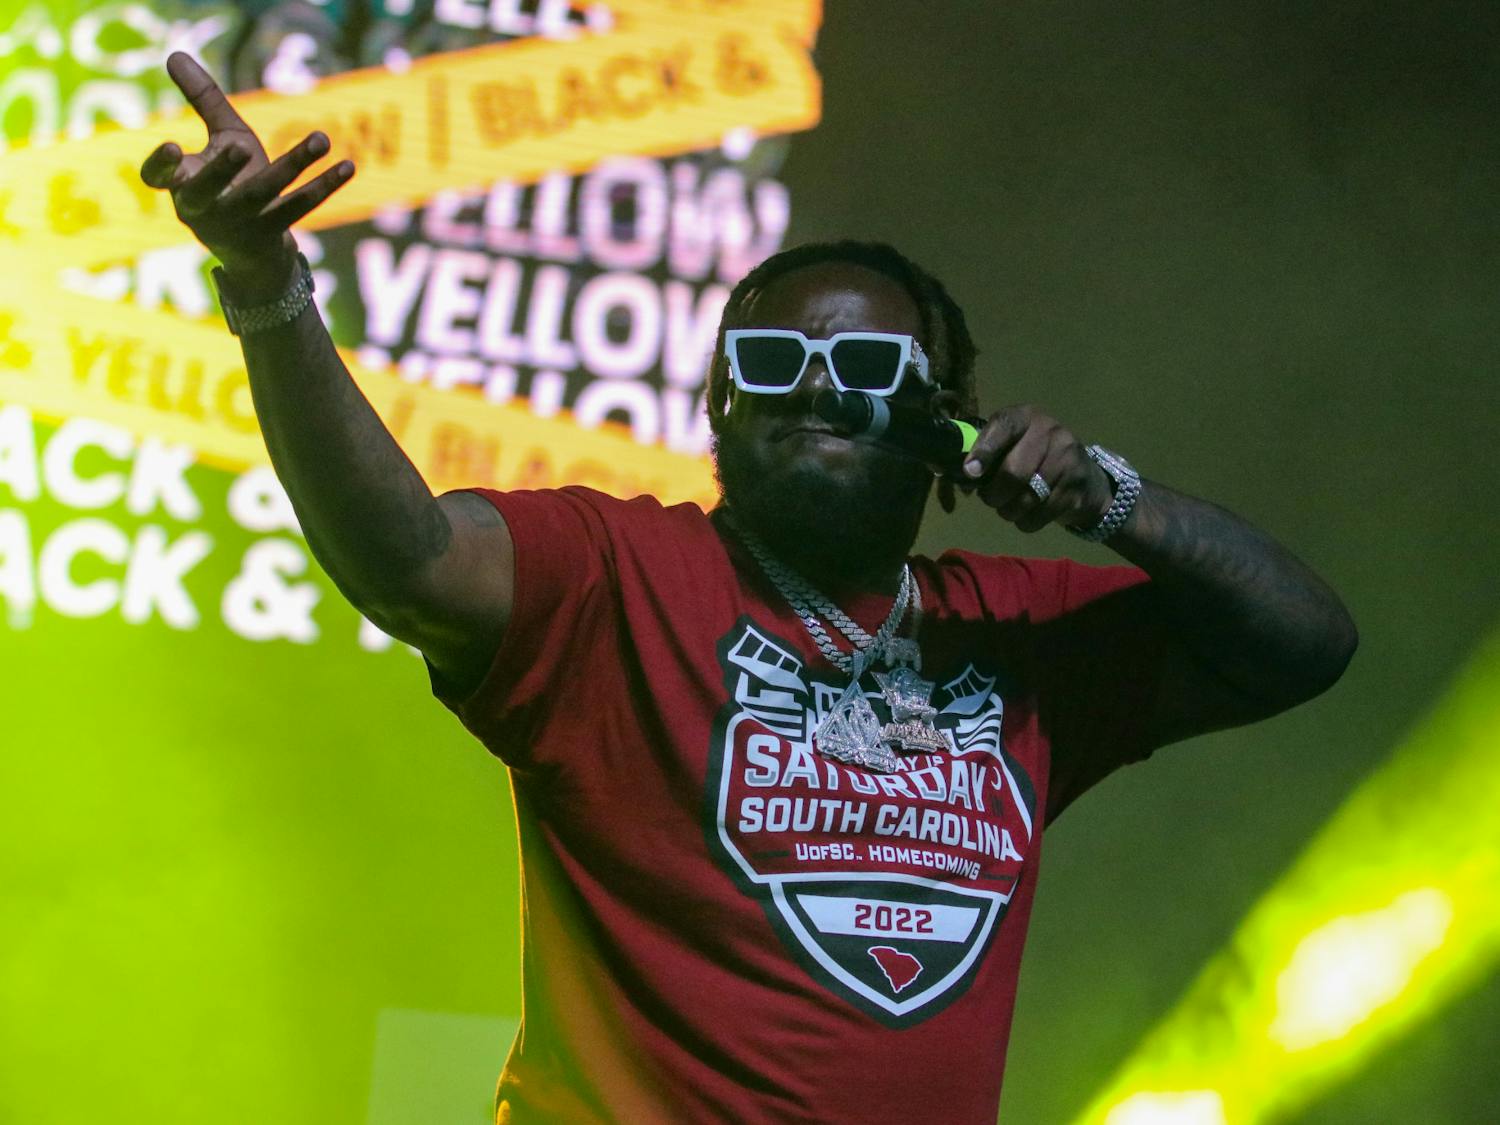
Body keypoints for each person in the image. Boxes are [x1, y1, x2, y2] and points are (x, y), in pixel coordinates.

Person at [141, 51, 1356, 1124]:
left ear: (949, 415)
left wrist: (1109, 498)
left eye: (869, 367)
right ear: (718, 412)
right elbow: (403, 554)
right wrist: (265, 285)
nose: (818, 389)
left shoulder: (1014, 631)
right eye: (773, 362)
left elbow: (1306, 642)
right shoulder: (617, 577)